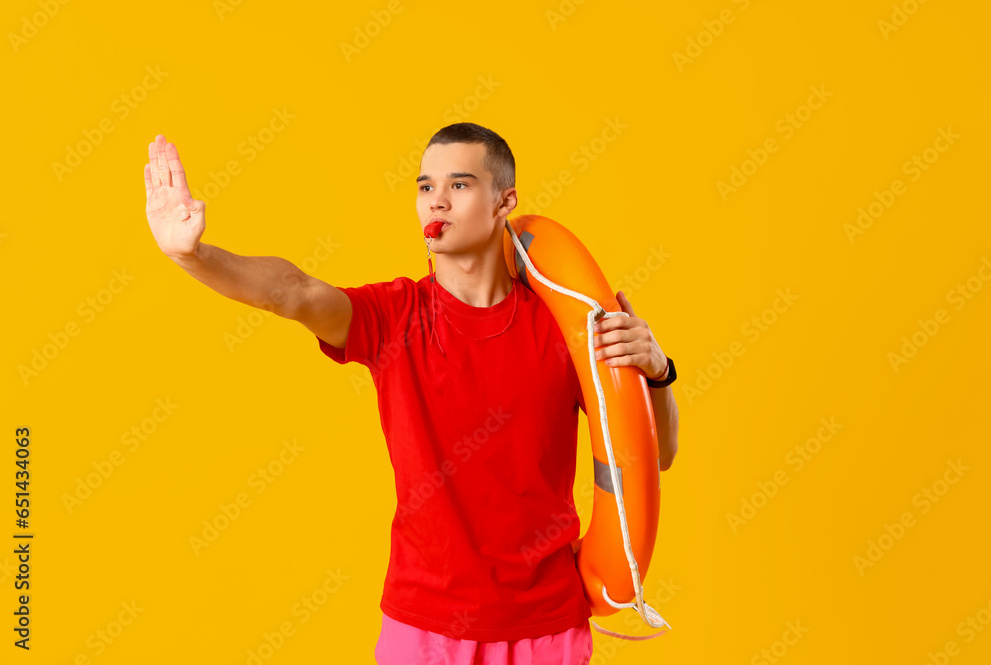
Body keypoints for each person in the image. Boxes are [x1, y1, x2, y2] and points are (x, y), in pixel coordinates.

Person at [144, 122, 680, 665]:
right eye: (425, 187)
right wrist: (195, 256)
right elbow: (293, 292)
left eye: (460, 185)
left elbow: (655, 455)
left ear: (505, 201)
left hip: (547, 625)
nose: (436, 202)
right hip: (426, 630)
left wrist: (657, 372)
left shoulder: (565, 328)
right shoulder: (393, 317)